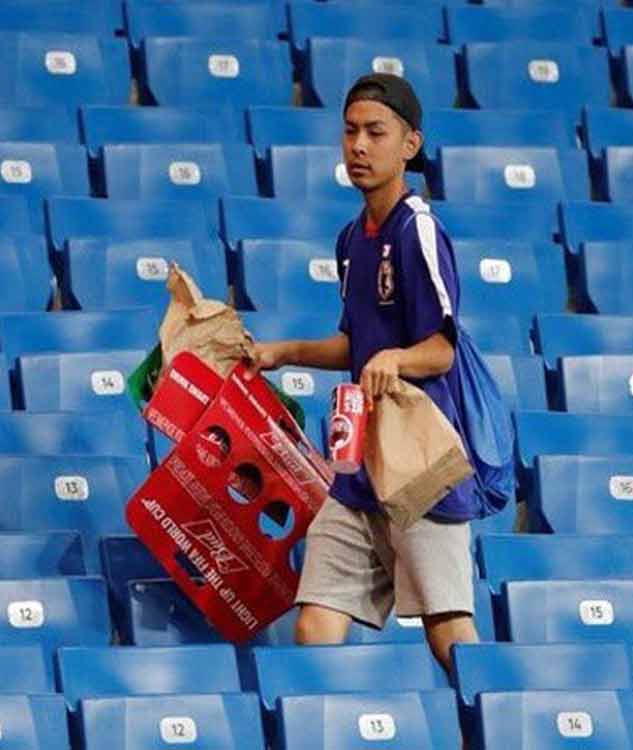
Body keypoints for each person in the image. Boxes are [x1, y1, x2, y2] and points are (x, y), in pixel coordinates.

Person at [250, 73, 477, 674]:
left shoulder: (418, 228)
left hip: (418, 462)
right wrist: (283, 351)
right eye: (350, 132)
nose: (358, 146)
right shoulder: (351, 238)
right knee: (317, 615)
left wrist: (397, 360)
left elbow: (441, 350)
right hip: (358, 467)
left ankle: (492, 726)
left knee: (447, 625)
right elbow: (356, 344)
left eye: (376, 132)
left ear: (409, 143)